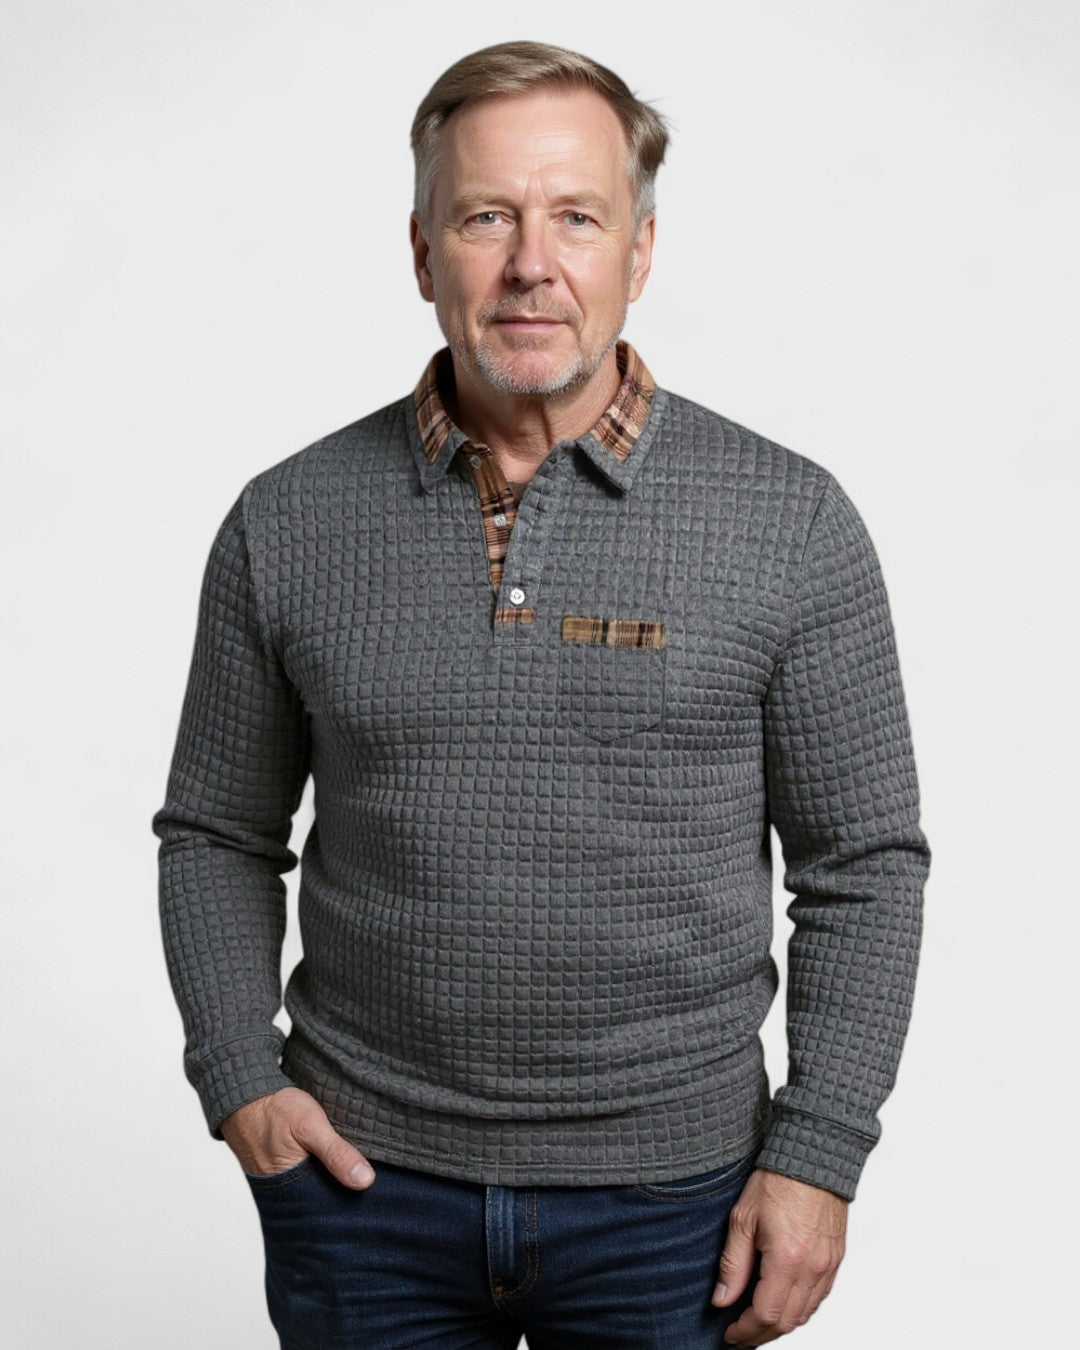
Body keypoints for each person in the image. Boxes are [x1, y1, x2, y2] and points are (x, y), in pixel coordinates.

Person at [151, 39, 931, 1349]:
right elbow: (215, 833)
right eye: (485, 217)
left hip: (677, 1204)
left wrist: (820, 1151)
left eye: (577, 216)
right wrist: (238, 1075)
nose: (530, 262)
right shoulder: (286, 522)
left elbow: (863, 865)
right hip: (362, 1189)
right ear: (422, 254)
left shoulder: (790, 523)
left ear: (641, 250)